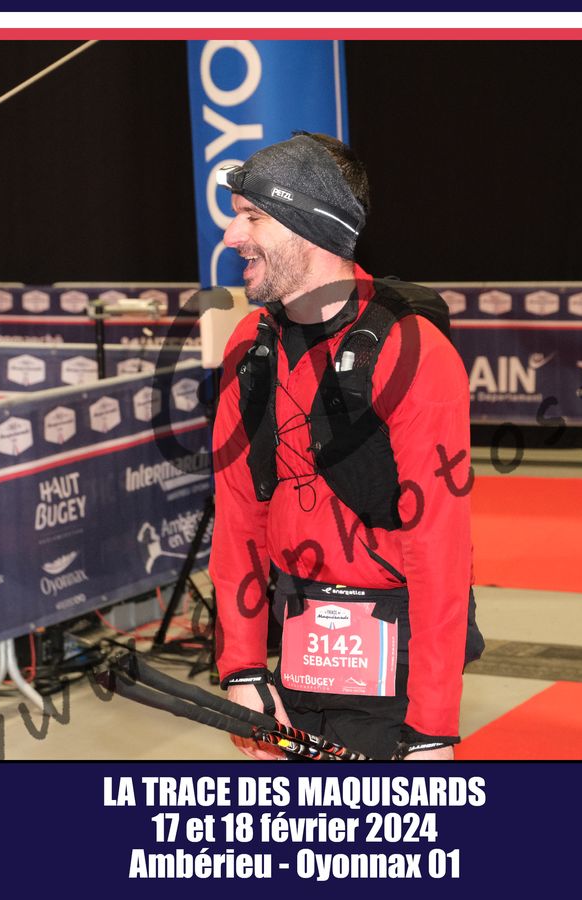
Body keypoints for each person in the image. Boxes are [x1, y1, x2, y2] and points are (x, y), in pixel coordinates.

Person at [209, 132, 479, 761]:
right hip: (291, 641)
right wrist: (242, 668)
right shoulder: (249, 347)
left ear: (310, 227)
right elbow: (238, 513)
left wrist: (433, 726)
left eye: (252, 216)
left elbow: (439, 546)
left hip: (396, 653)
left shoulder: (413, 353)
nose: (230, 236)